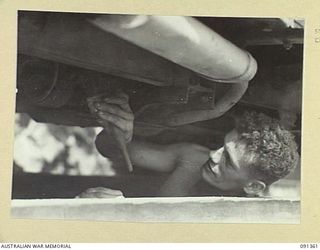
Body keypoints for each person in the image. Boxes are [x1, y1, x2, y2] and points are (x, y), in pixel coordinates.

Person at [87, 93, 299, 197]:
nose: (214, 155)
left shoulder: (254, 226)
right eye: (222, 147)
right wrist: (122, 132)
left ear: (253, 186)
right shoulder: (195, 158)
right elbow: (105, 145)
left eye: (229, 161)